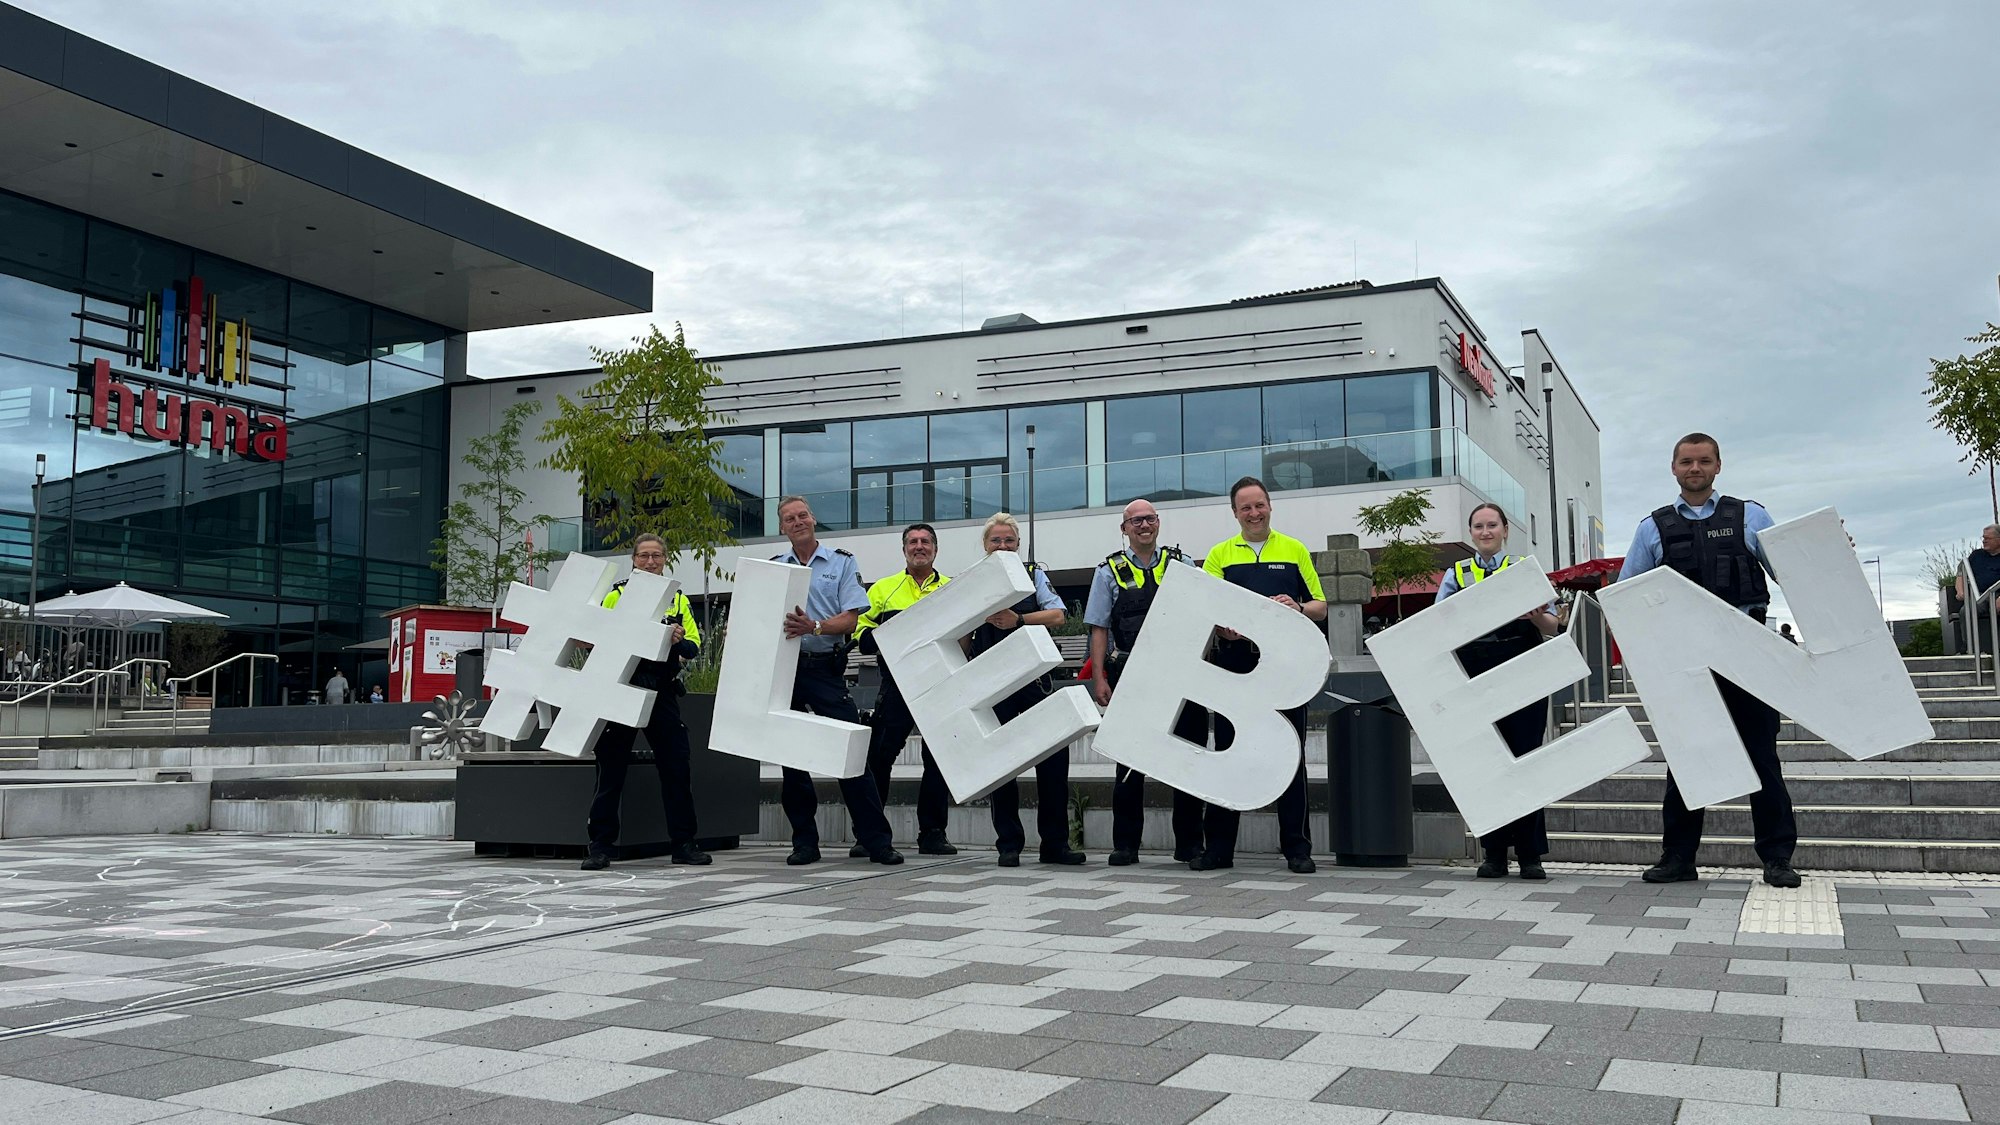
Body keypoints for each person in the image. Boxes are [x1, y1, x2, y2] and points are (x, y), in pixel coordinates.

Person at [1619, 432, 1798, 888]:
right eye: (1686, 462)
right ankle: (1678, 857)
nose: (1694, 468)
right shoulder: (1651, 528)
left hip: (1747, 650)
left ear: (1718, 466)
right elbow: (1627, 597)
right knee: (1687, 757)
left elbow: (1790, 571)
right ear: (1673, 468)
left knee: (1763, 757)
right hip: (1687, 656)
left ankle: (1777, 858)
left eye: (1703, 461)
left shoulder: (1750, 516)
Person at [1198, 477, 1328, 874]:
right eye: (1246, 508)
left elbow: (1321, 606)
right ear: (1234, 513)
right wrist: (1221, 628)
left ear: (1270, 506)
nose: (1254, 513)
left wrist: (1299, 608)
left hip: (1285, 671)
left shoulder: (1295, 550)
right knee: (1227, 754)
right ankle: (1219, 849)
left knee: (1291, 757)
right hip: (1233, 667)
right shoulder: (1219, 555)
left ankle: (1297, 849)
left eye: (1260, 505)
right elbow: (1205, 608)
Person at [770, 496, 904, 867]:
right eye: (789, 519)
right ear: (782, 528)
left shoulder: (842, 562)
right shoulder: (773, 568)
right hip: (784, 670)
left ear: (813, 519)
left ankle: (877, 842)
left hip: (825, 667)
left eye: (802, 515)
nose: (798, 522)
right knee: (792, 760)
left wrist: (814, 626)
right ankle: (804, 844)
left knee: (852, 754)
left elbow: (851, 619)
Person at [1435, 503, 1559, 880]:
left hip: (1522, 667)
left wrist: (1536, 614)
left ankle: (1530, 854)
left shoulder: (1524, 569)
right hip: (1475, 668)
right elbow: (1438, 624)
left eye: (1492, 525)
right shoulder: (1456, 572)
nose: (1486, 532)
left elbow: (1553, 625)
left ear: (1506, 530)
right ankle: (1493, 854)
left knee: (1525, 757)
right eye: (1479, 526)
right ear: (1470, 532)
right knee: (1486, 761)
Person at [1086, 499, 1207, 866]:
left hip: (1182, 676)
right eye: (1135, 521)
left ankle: (1189, 844)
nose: (1143, 525)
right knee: (1128, 762)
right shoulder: (1108, 571)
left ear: (1159, 523)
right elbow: (1098, 627)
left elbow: (1204, 612)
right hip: (1130, 674)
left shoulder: (1181, 564)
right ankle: (1126, 845)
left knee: (1188, 757)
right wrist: (1099, 678)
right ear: (1124, 529)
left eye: (1149, 519)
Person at [581, 533, 710, 871]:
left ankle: (684, 844)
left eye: (657, 556)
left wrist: (678, 640)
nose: (651, 562)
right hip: (620, 687)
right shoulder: (616, 594)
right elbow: (592, 638)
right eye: (644, 556)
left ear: (665, 560)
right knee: (610, 769)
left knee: (677, 766)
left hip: (662, 691)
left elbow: (694, 647)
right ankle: (599, 848)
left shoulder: (678, 599)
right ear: (633, 560)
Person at [975, 513, 1086, 867]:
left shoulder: (1034, 573)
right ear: (985, 545)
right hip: (992, 685)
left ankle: (1055, 844)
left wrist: (1019, 619)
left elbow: (1057, 615)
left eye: (1009, 541)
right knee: (1000, 764)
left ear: (1018, 544)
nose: (1003, 546)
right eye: (996, 541)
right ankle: (1008, 843)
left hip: (1033, 680)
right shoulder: (971, 581)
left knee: (1053, 759)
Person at [855, 523, 956, 855]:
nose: (919, 546)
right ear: (904, 550)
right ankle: (869, 834)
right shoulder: (882, 589)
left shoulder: (951, 589)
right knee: (880, 757)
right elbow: (861, 634)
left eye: (925, 541)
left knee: (939, 759)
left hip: (939, 682)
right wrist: (885, 630)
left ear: (936, 550)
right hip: (896, 684)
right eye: (912, 542)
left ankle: (932, 833)